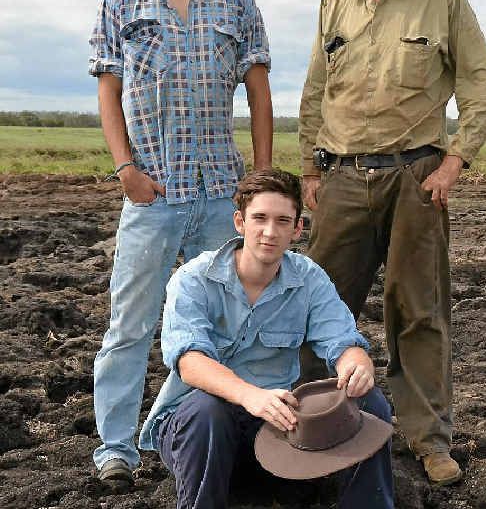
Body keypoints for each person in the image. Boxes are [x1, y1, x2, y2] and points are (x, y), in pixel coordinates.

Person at [298, 0, 486, 486]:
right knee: (319, 305)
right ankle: (317, 426)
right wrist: (309, 167)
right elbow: (316, 91)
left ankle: (427, 437)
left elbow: (482, 86)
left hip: (417, 178)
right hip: (342, 176)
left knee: (418, 309)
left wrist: (454, 163)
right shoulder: (334, 2)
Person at [87, 0, 273, 482]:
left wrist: (263, 174)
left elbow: (259, 89)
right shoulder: (122, 2)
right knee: (131, 323)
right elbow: (108, 90)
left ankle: (172, 428)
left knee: (229, 321)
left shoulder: (237, 4)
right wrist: (126, 171)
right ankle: (115, 447)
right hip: (154, 194)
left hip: (222, 193)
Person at [138, 169, 395, 509]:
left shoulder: (308, 279)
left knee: (370, 402)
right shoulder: (195, 279)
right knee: (208, 410)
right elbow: (190, 361)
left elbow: (342, 338)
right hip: (199, 430)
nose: (269, 232)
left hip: (277, 425)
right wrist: (251, 396)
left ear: (297, 228)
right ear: (240, 222)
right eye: (259, 218)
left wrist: (356, 365)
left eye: (282, 221)